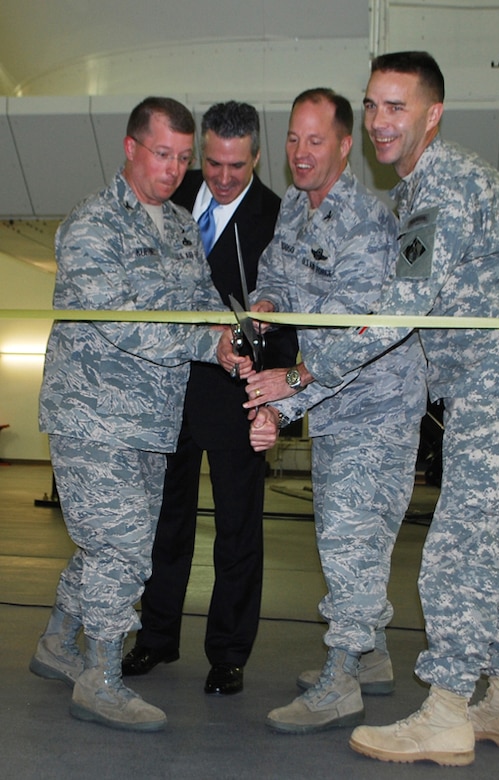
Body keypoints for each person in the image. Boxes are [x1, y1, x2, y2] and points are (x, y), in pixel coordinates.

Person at [254, 53, 499, 765]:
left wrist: (298, 383)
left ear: (432, 114)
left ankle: (450, 710)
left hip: (497, 372)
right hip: (483, 375)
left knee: (460, 540)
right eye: (372, 105)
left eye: (397, 107)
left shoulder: (443, 186)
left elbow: (397, 311)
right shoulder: (421, 190)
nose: (380, 121)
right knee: (492, 537)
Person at [29, 96, 252, 732]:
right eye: (163, 154)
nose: (175, 169)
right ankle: (100, 677)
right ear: (130, 148)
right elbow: (123, 324)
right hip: (94, 417)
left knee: (111, 543)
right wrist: (204, 342)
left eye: (184, 159)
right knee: (121, 550)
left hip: (151, 421)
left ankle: (56, 643)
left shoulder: (181, 225)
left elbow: (202, 302)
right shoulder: (93, 225)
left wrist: (232, 331)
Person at [245, 87, 427, 734]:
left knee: (348, 537)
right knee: (356, 537)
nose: (299, 153)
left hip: (376, 402)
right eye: (293, 138)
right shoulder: (295, 205)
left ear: (345, 146)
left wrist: (284, 393)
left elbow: (350, 345)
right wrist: (265, 302)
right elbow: (275, 267)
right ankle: (371, 656)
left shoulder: (367, 226)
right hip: (334, 398)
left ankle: (342, 681)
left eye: (315, 141)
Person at [122, 101, 297, 696]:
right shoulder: (175, 192)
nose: (222, 178)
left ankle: (227, 652)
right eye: (214, 164)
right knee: (164, 524)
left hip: (235, 395)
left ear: (255, 156)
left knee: (237, 529)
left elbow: (290, 316)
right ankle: (155, 638)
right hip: (168, 389)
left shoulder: (277, 216)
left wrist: (272, 401)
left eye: (237, 167)